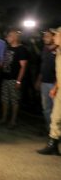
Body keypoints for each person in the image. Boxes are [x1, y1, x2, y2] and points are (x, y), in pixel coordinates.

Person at [0, 29, 28, 129]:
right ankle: (4, 118)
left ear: (15, 37)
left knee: (14, 101)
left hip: (14, 79)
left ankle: (13, 121)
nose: (7, 38)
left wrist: (19, 81)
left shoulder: (21, 49)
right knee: (5, 99)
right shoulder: (8, 48)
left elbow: (23, 66)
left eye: (9, 36)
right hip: (5, 78)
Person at [37, 27, 61, 156]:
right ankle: (53, 145)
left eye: (57, 34)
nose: (55, 36)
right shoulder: (58, 51)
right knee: (54, 117)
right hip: (56, 88)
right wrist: (56, 87)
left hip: (56, 86)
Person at [35, 30, 57, 131]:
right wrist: (39, 80)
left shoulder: (58, 50)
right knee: (46, 109)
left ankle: (56, 131)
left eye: (47, 36)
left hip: (54, 84)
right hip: (45, 82)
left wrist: (56, 85)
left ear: (54, 37)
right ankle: (49, 129)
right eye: (44, 36)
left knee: (56, 109)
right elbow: (43, 66)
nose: (44, 38)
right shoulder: (45, 49)